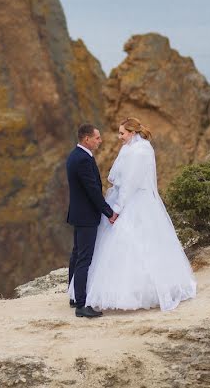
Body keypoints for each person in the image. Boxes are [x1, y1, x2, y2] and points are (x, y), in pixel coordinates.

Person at [69, 117, 196, 312]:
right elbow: (115, 175)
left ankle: (143, 291)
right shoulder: (127, 148)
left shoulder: (142, 150)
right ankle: (81, 298)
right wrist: (113, 201)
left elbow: (132, 182)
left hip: (136, 202)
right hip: (118, 200)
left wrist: (117, 208)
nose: (119, 137)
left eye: (122, 133)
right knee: (104, 249)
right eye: (119, 133)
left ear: (132, 132)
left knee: (142, 246)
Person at [66, 123, 118, 318]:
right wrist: (108, 212)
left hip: (78, 214)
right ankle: (81, 305)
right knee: (84, 259)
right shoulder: (83, 160)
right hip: (87, 216)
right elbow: (93, 191)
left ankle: (73, 297)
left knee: (77, 254)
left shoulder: (74, 155)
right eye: (97, 138)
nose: (100, 140)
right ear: (86, 139)